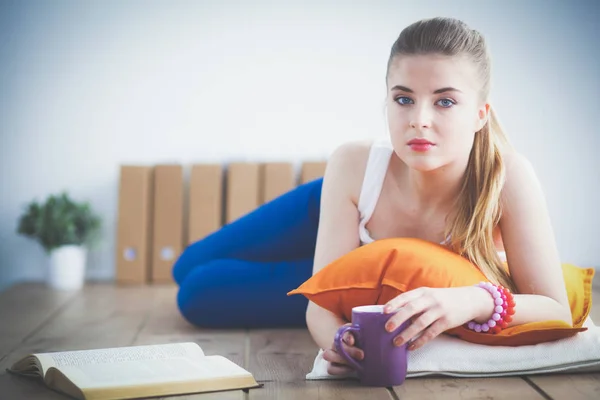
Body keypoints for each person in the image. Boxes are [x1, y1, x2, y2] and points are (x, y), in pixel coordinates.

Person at [172, 17, 572, 376]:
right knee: (186, 263)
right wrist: (333, 337)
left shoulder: (508, 178)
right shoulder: (352, 162)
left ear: (481, 114)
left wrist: (473, 301)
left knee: (196, 291)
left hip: (360, 268)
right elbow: (321, 307)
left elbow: (556, 308)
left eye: (445, 101)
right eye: (403, 98)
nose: (419, 118)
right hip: (341, 204)